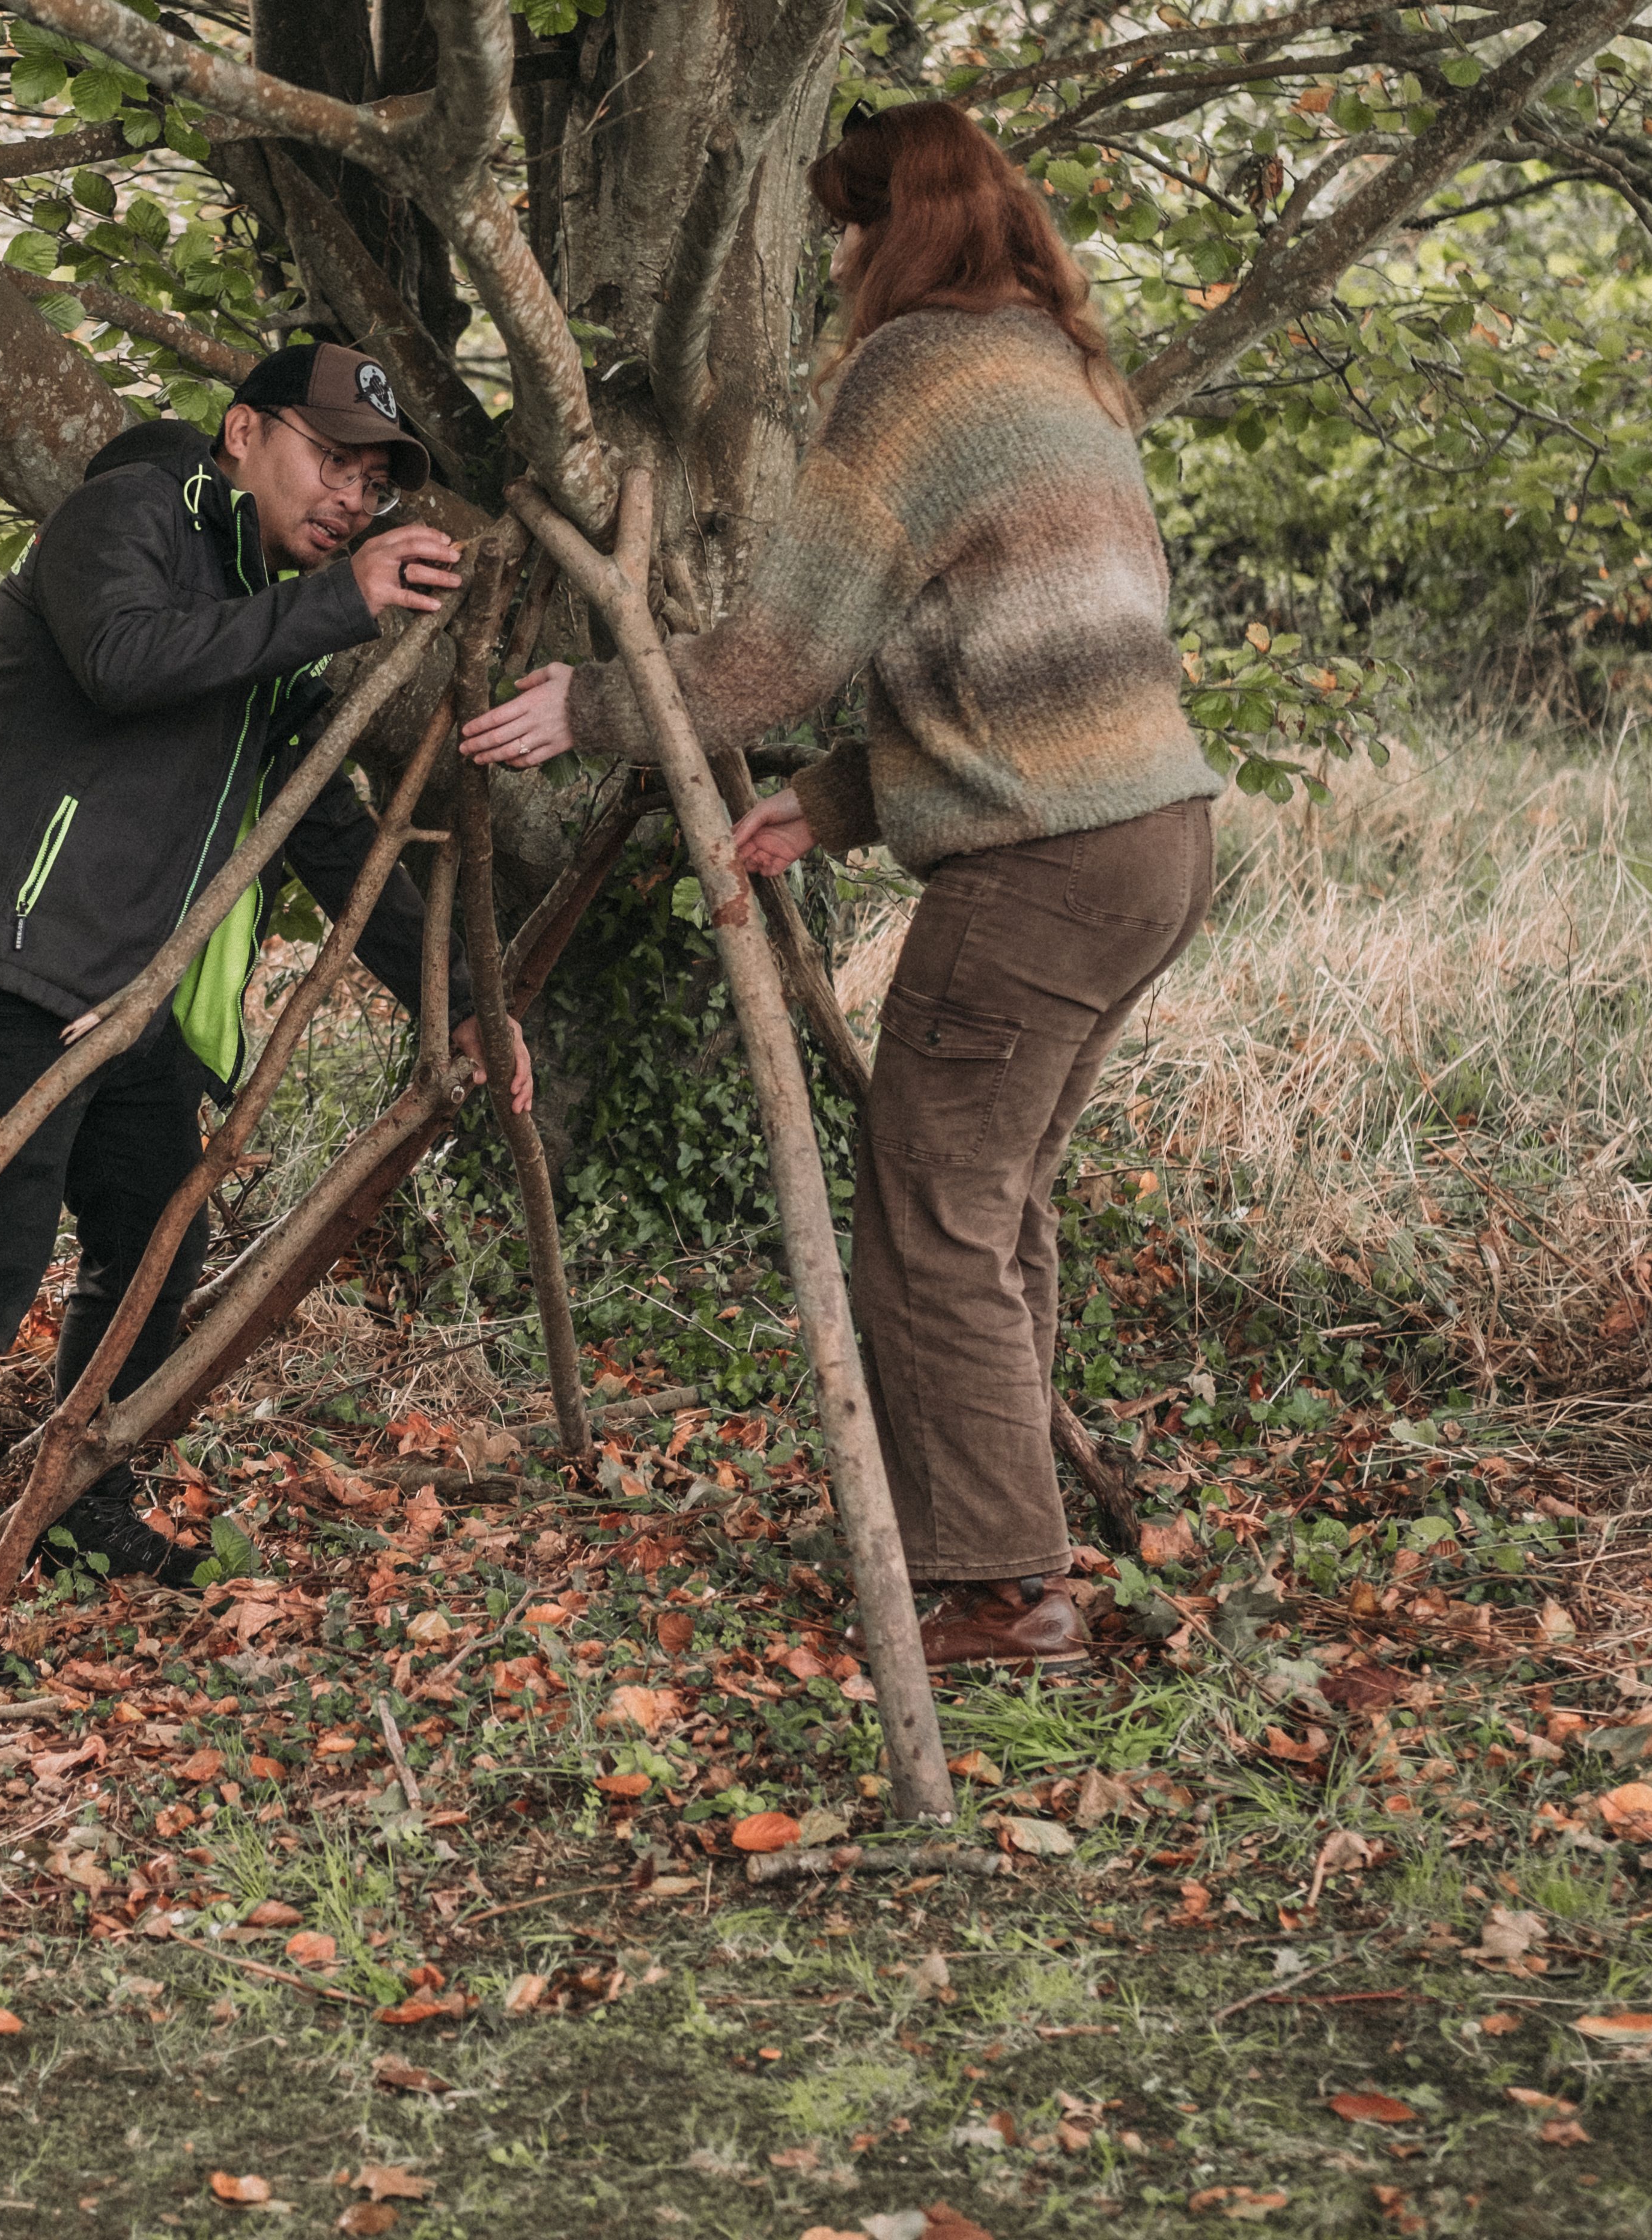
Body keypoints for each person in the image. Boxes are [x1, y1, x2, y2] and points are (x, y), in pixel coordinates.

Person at [465, 102, 1221, 1674]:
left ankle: (1003, 1594)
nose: (839, 266)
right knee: (989, 1202)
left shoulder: (920, 371)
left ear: (897, 229)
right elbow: (1031, 661)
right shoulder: (1064, 376)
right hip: (1149, 841)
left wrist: (589, 706)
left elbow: (781, 654)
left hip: (1040, 868)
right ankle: (1005, 1547)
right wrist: (828, 804)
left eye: (848, 233)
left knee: (930, 1214)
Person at [0, 342, 529, 1682]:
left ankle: (80, 1505)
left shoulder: (274, 619)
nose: (351, 496)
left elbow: (324, 834)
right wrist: (339, 602)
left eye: (375, 480)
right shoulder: (136, 517)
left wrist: (455, 1002)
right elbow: (121, 658)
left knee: (154, 1237)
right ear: (241, 433)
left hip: (124, 1003)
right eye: (329, 459)